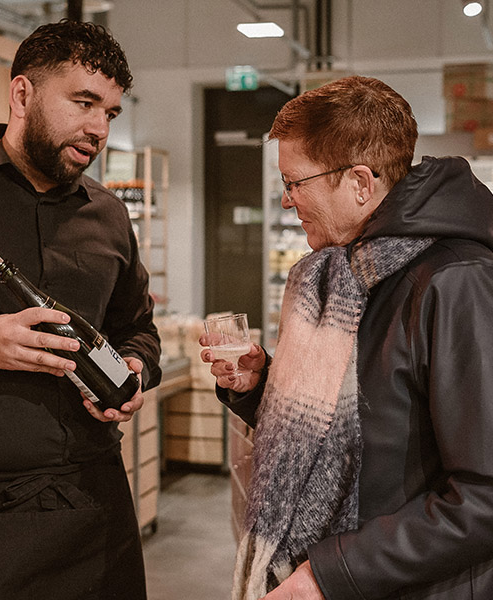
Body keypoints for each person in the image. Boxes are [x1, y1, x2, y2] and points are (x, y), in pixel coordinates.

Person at [0, 19, 161, 600]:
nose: (99, 129)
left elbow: (137, 328)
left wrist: (137, 368)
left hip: (94, 497)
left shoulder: (109, 214)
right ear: (22, 94)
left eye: (111, 113)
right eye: (84, 103)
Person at [201, 75, 493, 599]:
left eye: (295, 182)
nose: (287, 201)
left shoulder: (456, 281)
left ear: (360, 182)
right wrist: (261, 385)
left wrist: (331, 573)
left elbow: (484, 495)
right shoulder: (339, 275)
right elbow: (352, 432)